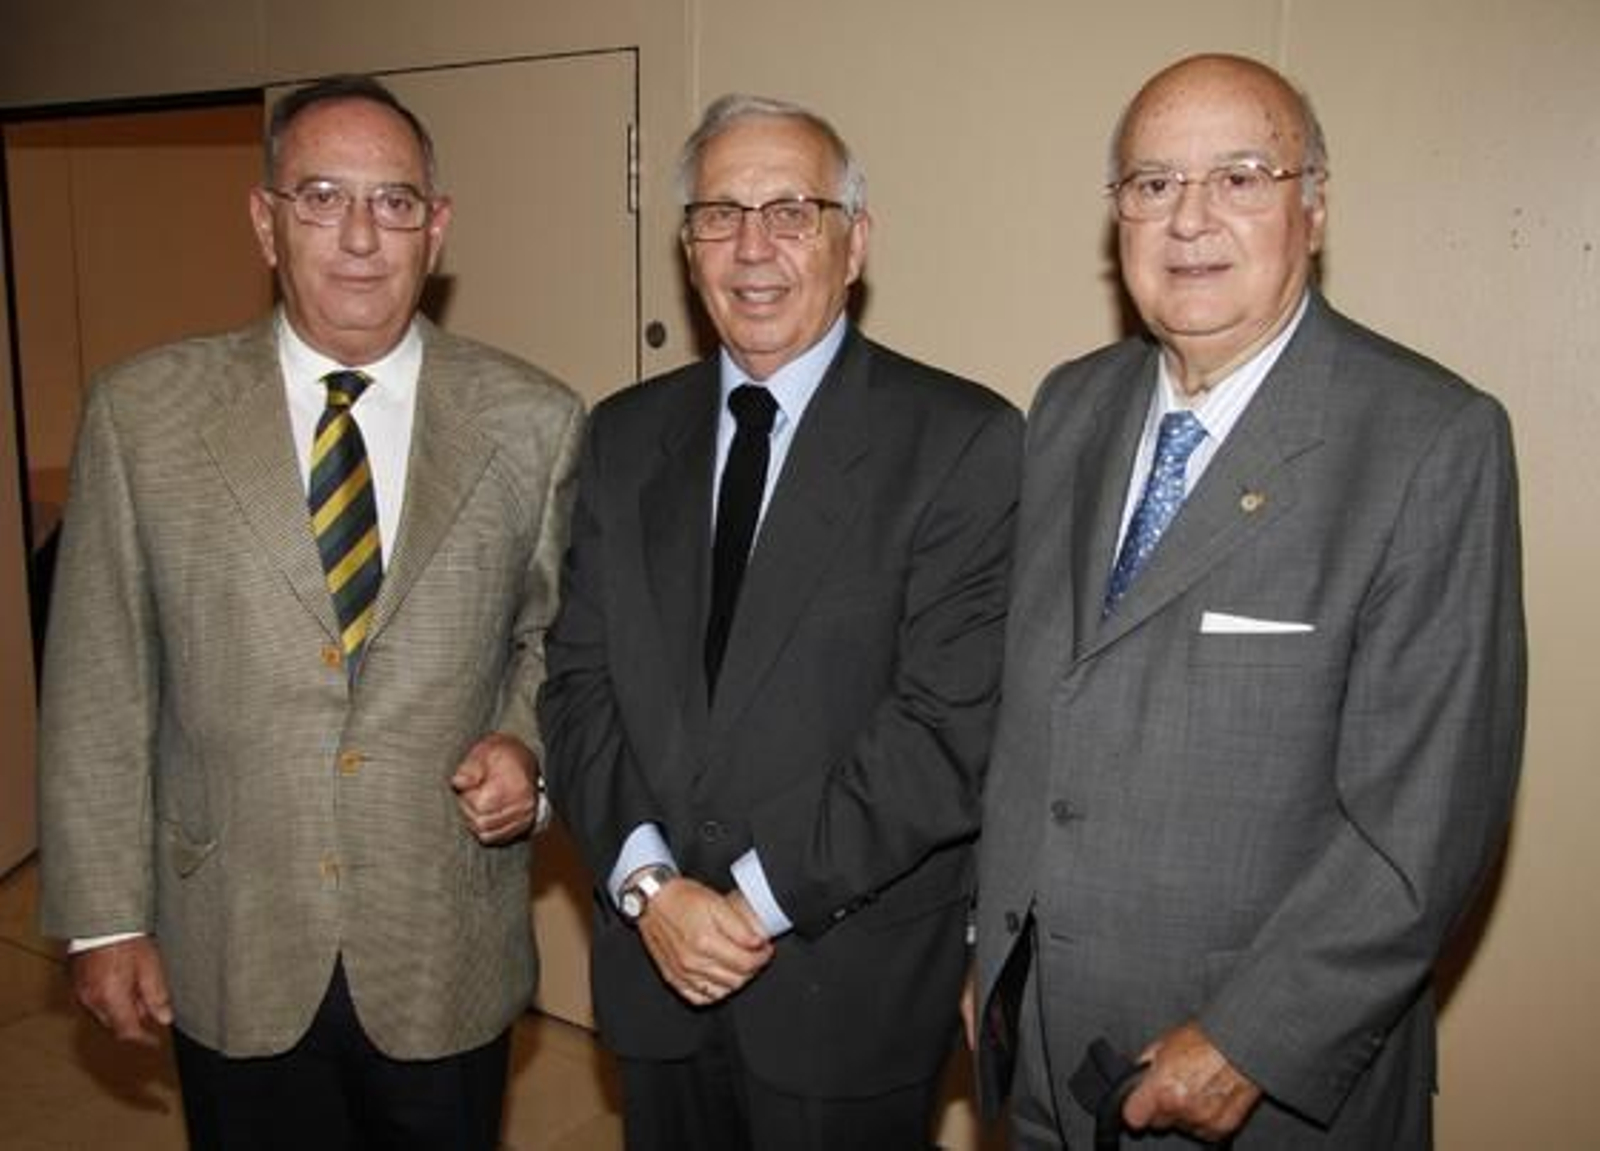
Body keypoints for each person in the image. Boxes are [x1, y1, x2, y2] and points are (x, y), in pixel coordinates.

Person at [973, 53, 1525, 1148]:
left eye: (1238, 177)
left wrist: (1249, 1040)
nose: (1189, 220)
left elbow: (1426, 821)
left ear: (1312, 206)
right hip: (1041, 1055)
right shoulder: (1069, 406)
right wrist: (988, 950)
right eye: (1153, 183)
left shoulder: (1426, 440)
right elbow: (1031, 716)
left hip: (1252, 1086)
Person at [36, 74, 584, 1150]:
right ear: (265, 220)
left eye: (393, 202)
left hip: (442, 943)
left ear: (437, 227)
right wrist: (104, 917)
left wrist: (527, 748)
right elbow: (100, 681)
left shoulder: (535, 419)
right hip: (232, 937)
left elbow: (558, 639)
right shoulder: (143, 416)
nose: (361, 238)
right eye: (323, 198)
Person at [538, 93, 1021, 1150]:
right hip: (654, 967)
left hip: (842, 989)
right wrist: (650, 886)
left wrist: (748, 903)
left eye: (792, 212)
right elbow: (576, 685)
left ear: (856, 243)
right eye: (719, 214)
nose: (752, 248)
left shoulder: (961, 441)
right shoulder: (623, 436)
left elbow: (943, 732)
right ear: (688, 247)